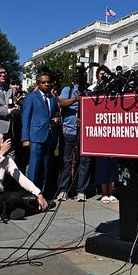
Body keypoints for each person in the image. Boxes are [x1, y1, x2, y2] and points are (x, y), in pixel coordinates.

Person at [0, 133, 48, 219]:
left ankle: (22, 208)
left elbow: (20, 177)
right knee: (14, 198)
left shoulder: (6, 159)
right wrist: (0, 154)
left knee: (24, 194)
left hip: (0, 195)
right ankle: (35, 209)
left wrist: (38, 193)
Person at [21, 71, 59, 192]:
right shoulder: (31, 97)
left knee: (46, 166)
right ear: (38, 84)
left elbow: (56, 114)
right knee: (34, 166)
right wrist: (25, 138)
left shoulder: (52, 99)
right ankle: (31, 194)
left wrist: (57, 119)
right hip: (35, 136)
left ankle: (42, 193)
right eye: (43, 82)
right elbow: (25, 118)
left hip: (49, 136)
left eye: (48, 82)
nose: (47, 84)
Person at [55, 74, 90, 202]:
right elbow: (61, 102)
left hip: (84, 131)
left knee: (84, 160)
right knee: (67, 160)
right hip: (69, 130)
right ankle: (63, 189)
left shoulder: (88, 91)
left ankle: (81, 190)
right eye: (78, 80)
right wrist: (76, 99)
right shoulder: (67, 90)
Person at [91, 65, 119, 203]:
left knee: (114, 161)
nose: (103, 76)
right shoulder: (94, 89)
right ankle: (103, 193)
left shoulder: (114, 88)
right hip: (100, 129)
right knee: (102, 162)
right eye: (100, 74)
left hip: (113, 128)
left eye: (105, 74)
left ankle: (111, 190)